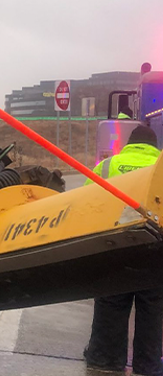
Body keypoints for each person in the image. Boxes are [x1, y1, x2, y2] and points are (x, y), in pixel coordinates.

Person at [84, 125, 163, 375]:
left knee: (111, 302)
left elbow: (86, 203)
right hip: (156, 249)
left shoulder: (106, 166)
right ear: (154, 146)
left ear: (129, 144)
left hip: (114, 245)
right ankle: (148, 365)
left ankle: (104, 360)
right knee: (153, 308)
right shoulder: (160, 168)